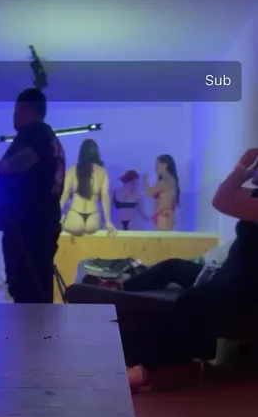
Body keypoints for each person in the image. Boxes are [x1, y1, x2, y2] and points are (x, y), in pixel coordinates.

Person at [121, 148, 258, 391]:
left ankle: (146, 369)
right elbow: (227, 198)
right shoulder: (253, 197)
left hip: (243, 287)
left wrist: (242, 169)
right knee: (172, 266)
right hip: (226, 274)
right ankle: (119, 289)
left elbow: (221, 200)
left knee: (190, 301)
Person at [0, 88, 65, 303]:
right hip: (40, 223)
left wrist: (0, 166)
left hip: (27, 227)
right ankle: (39, 323)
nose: (14, 115)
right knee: (37, 284)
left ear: (25, 109)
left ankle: (30, 325)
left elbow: (26, 159)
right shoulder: (49, 137)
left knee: (26, 287)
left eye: (16, 110)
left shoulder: (35, 134)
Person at [60, 139, 115, 236]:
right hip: (93, 216)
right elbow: (105, 196)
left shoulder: (72, 170)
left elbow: (65, 194)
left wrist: (56, 214)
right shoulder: (102, 172)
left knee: (73, 226)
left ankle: (64, 218)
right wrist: (108, 221)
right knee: (91, 228)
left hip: (75, 213)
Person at [143, 154, 180, 231]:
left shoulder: (167, 181)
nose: (155, 169)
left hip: (164, 218)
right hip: (162, 217)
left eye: (157, 165)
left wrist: (144, 180)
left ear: (165, 165)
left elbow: (148, 193)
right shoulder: (166, 180)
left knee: (162, 238)